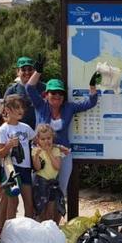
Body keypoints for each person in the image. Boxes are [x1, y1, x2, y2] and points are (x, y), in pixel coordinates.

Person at [25, 68, 99, 202]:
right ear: (46, 94)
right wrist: (38, 71)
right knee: (40, 189)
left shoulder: (68, 107)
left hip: (63, 152)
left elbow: (91, 102)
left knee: (60, 190)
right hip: (42, 153)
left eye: (60, 93)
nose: (57, 95)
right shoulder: (40, 105)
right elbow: (29, 88)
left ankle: (55, 222)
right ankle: (39, 221)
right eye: (53, 92)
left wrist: (92, 86)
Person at [0, 95, 35, 237]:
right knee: (13, 201)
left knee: (28, 200)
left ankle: (29, 231)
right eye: (17, 107)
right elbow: (0, 153)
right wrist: (9, 145)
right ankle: (9, 233)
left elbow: (36, 141)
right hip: (11, 168)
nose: (21, 110)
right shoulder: (2, 130)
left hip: (26, 167)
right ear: (7, 110)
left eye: (22, 107)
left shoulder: (26, 128)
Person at [31, 124, 67, 223]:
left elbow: (57, 166)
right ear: (38, 139)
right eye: (43, 139)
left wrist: (49, 152)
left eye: (48, 138)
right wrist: (36, 156)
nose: (46, 141)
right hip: (40, 182)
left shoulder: (56, 150)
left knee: (51, 209)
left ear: (52, 138)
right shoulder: (35, 150)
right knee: (40, 209)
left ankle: (50, 229)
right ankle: (42, 230)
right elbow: (37, 168)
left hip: (52, 183)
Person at [4, 56, 45, 130]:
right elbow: (4, 114)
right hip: (20, 134)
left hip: (41, 134)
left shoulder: (44, 88)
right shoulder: (12, 90)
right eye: (23, 70)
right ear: (17, 72)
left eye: (30, 69)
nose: (27, 72)